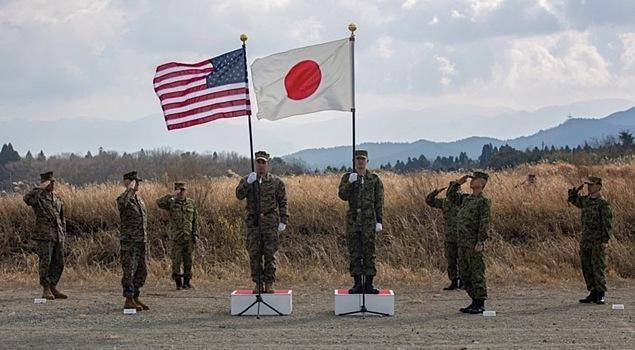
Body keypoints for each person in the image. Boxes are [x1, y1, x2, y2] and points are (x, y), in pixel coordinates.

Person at [235, 151, 289, 293]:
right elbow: (239, 195)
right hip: (254, 222)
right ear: (255, 163)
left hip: (270, 221)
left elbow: (283, 202)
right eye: (258, 162)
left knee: (270, 253)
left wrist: (284, 220)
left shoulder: (276, 182)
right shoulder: (249, 180)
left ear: (267, 164)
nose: (260, 165)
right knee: (255, 254)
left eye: (263, 162)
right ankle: (258, 283)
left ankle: (269, 282)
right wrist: (247, 183)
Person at [338, 150, 384, 294]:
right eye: (358, 159)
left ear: (367, 161)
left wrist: (379, 220)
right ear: (354, 161)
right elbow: (342, 196)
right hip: (353, 219)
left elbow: (379, 201)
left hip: (369, 220)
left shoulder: (374, 179)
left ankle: (369, 284)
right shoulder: (348, 177)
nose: (360, 162)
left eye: (363, 159)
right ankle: (357, 283)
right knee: (355, 252)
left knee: (369, 252)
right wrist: (350, 183)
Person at [447, 172, 491, 314]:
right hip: (462, 243)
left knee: (476, 272)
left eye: (475, 179)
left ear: (482, 183)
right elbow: (451, 196)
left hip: (473, 243)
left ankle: (480, 302)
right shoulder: (467, 199)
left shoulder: (483, 201)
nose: (471, 182)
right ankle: (473, 301)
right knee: (465, 274)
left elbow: (484, 223)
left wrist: (480, 241)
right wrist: (458, 183)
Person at [568, 176, 612, 305]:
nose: (589, 187)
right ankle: (592, 292)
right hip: (586, 239)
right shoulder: (586, 201)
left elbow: (607, 223)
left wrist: (605, 240)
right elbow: (572, 199)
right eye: (588, 185)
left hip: (598, 241)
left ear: (599, 186)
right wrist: (576, 189)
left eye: (591, 185)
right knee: (586, 266)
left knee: (598, 267)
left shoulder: (603, 204)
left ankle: (600, 293)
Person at [23, 171, 67, 300]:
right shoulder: (38, 197)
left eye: (53, 182)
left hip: (58, 234)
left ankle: (53, 286)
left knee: (59, 262)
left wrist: (63, 232)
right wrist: (39, 188)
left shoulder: (57, 198)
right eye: (50, 182)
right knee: (45, 262)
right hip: (45, 235)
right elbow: (26, 199)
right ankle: (46, 288)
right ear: (44, 183)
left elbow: (62, 217)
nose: (52, 184)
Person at [117, 171, 149, 311]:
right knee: (129, 271)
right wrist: (129, 188)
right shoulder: (123, 199)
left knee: (141, 271)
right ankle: (128, 299)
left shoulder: (139, 200)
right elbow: (122, 203)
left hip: (140, 241)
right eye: (135, 181)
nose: (138, 184)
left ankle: (135, 296)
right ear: (128, 182)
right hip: (129, 243)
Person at [157, 182, 198, 290]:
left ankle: (187, 282)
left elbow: (195, 220)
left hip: (188, 237)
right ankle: (178, 283)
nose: (182, 192)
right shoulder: (171, 203)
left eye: (183, 190)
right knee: (176, 261)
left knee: (188, 261)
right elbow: (159, 203)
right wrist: (171, 195)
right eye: (180, 190)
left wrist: (195, 234)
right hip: (176, 238)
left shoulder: (191, 203)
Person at [425, 186, 460, 290]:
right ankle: (454, 281)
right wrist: (436, 191)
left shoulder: (464, 201)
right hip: (449, 235)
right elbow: (429, 201)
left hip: (463, 235)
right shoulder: (445, 202)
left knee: (463, 260)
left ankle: (463, 281)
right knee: (451, 259)